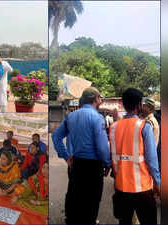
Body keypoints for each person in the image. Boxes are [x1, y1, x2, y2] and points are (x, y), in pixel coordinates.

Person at [52, 87, 111, 224]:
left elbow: (56, 136)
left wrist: (66, 156)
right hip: (93, 167)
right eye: (100, 97)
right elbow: (102, 148)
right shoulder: (97, 118)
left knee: (74, 197)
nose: (101, 100)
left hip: (76, 163)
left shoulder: (71, 116)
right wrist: (107, 164)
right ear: (95, 99)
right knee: (91, 202)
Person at [109, 88, 160, 225]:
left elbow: (113, 157)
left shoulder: (113, 128)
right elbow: (151, 160)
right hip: (142, 189)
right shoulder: (144, 126)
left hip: (121, 188)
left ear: (123, 105)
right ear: (139, 105)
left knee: (124, 221)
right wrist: (157, 182)